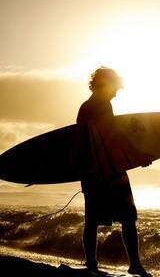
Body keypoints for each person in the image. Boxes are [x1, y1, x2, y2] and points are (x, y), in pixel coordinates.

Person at [77, 67, 152, 277]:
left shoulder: (85, 107)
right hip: (110, 171)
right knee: (128, 216)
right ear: (105, 84)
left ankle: (91, 263)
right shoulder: (101, 105)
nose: (116, 93)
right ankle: (134, 264)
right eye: (114, 88)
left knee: (91, 220)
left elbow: (82, 144)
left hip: (92, 173)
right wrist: (138, 155)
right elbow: (115, 135)